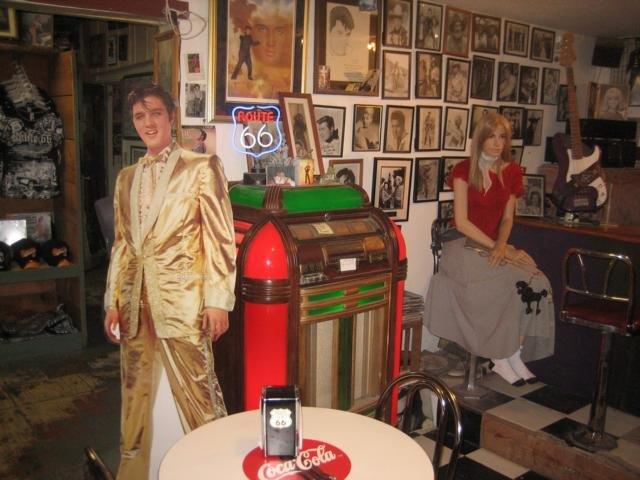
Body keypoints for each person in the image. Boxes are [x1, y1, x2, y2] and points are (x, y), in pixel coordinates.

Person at [103, 84, 236, 478]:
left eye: (155, 113)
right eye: (139, 116)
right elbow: (122, 245)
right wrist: (112, 300)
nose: (148, 123)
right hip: (134, 304)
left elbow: (220, 238)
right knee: (134, 400)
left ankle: (217, 471)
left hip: (184, 302)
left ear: (171, 117)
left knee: (200, 397)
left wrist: (218, 300)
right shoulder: (126, 178)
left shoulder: (202, 167)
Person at [424, 112, 554, 387]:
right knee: (513, 282)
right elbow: (462, 222)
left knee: (538, 280)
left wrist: (502, 246)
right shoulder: (463, 170)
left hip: (493, 245)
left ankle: (512, 354)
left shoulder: (512, 172)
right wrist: (500, 248)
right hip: (461, 245)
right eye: (491, 136)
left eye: (502, 137)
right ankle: (502, 354)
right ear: (480, 139)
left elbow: (507, 219)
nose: (497, 143)